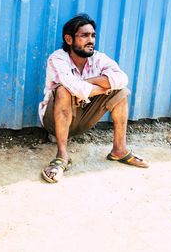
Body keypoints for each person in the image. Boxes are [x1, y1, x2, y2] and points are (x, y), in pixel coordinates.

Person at [39, 14, 148, 183]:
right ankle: (62, 157)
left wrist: (87, 82)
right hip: (54, 121)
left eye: (93, 36)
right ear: (69, 39)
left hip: (84, 119)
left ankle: (119, 150)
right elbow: (75, 88)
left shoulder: (98, 58)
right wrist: (104, 86)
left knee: (121, 92)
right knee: (63, 91)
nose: (90, 40)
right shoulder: (58, 58)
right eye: (84, 36)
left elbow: (122, 79)